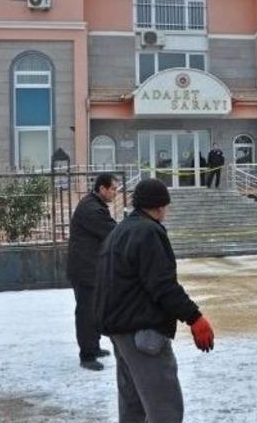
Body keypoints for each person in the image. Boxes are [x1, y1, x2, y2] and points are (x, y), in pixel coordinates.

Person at [95, 178, 215, 423]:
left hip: (119, 330)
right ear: (160, 207)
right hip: (143, 332)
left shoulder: (121, 231)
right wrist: (195, 317)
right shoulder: (148, 232)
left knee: (133, 408)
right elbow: (162, 285)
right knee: (165, 409)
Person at [67, 173, 118, 371]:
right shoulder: (91, 209)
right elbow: (112, 232)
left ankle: (94, 346)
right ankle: (87, 355)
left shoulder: (94, 205)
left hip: (92, 269)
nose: (115, 192)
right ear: (102, 189)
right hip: (85, 270)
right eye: (113, 189)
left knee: (95, 310)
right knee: (86, 313)